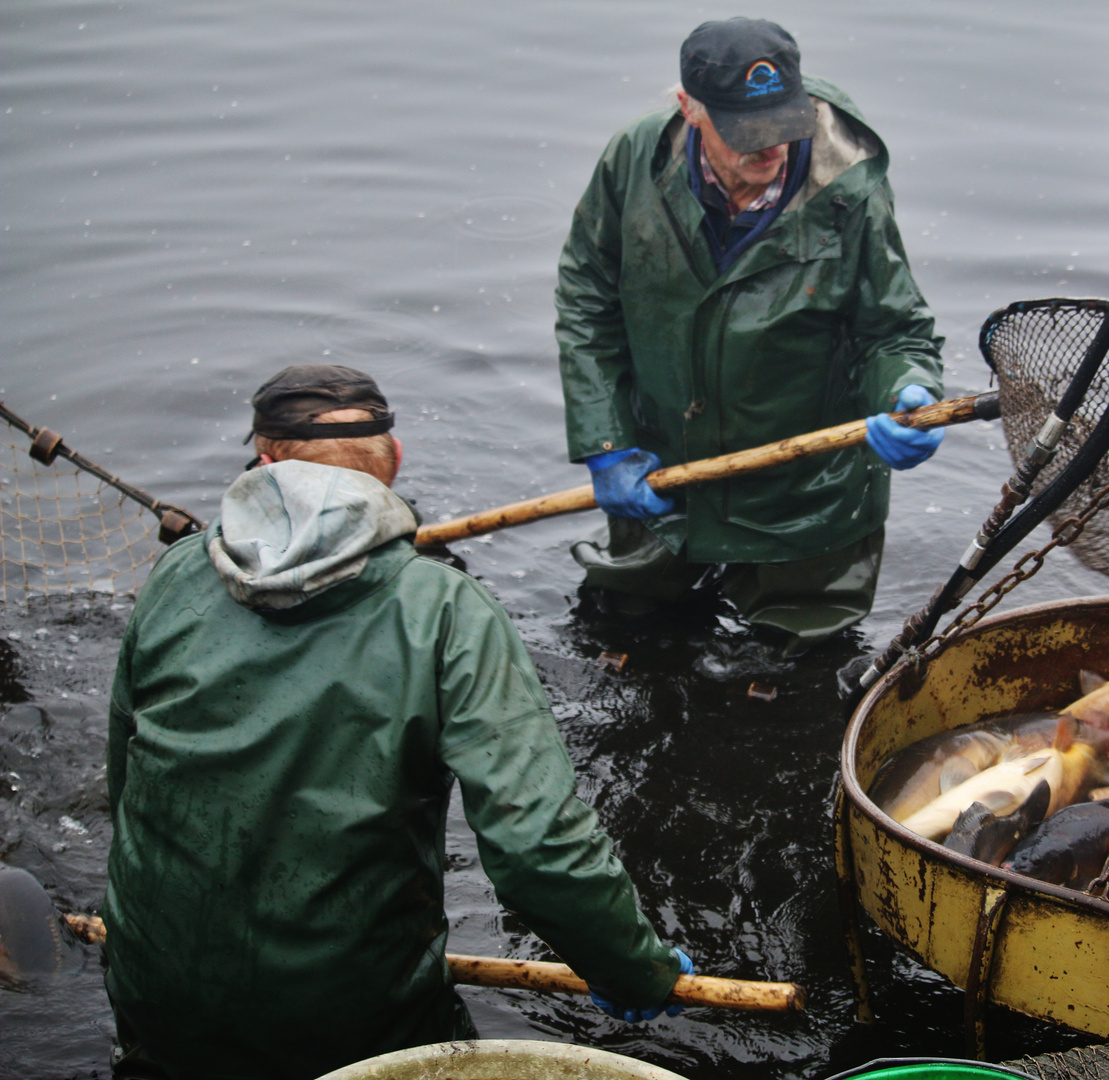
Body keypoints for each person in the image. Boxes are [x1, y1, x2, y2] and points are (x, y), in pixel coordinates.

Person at [103, 365, 690, 1080]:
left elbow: (125, 780)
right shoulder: (444, 608)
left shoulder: (176, 574)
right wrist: (630, 967)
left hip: (149, 982)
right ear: (395, 459)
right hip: (346, 1013)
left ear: (264, 462)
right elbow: (535, 843)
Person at [557, 17, 946, 655]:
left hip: (806, 489)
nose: (769, 151)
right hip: (664, 466)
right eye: (746, 136)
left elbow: (892, 328)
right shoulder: (634, 158)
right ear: (690, 109)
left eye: (782, 129)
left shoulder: (850, 192)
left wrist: (909, 389)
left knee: (802, 665)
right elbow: (586, 300)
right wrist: (604, 441)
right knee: (628, 628)